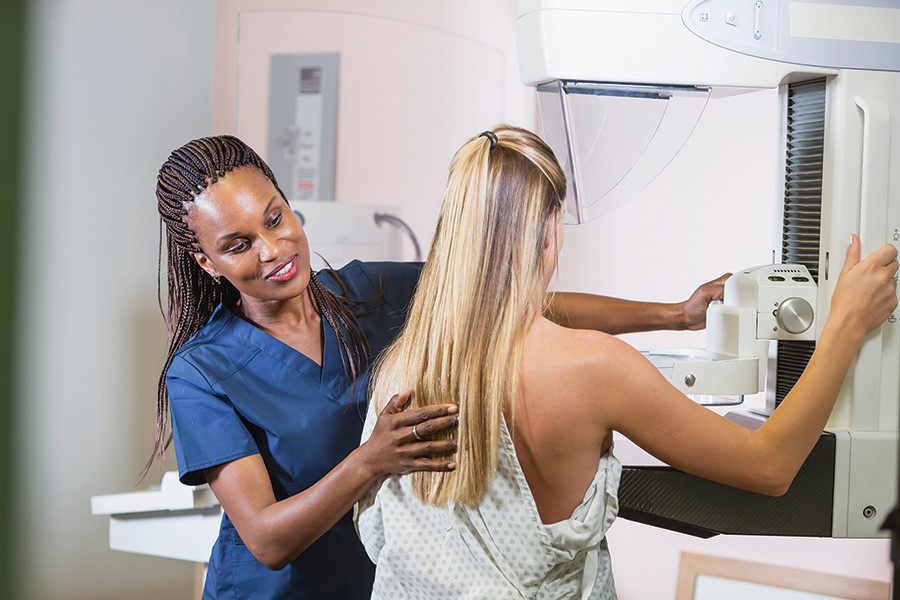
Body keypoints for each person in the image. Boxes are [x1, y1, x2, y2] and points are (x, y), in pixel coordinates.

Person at [149, 134, 729, 599]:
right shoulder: (202, 370)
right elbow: (266, 540)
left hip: (382, 580)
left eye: (275, 220)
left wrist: (676, 313)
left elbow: (513, 303)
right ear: (206, 261)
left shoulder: (366, 292)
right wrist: (370, 461)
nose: (272, 249)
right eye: (238, 244)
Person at [356, 125, 899, 599]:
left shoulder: (402, 370)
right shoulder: (593, 369)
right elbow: (769, 467)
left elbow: (520, 317)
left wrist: (676, 314)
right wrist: (846, 324)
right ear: (550, 229)